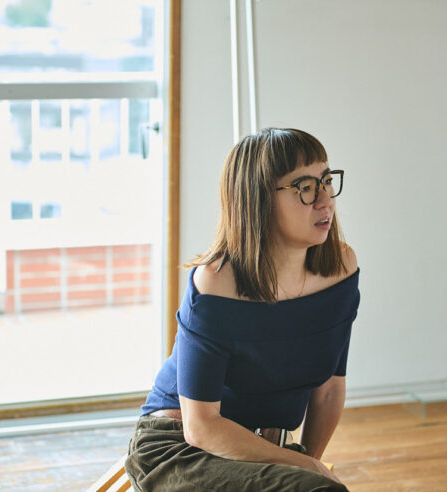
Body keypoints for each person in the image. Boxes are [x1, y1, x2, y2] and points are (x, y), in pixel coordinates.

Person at [125, 128, 360, 491]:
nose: (325, 200)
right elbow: (201, 427)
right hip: (180, 448)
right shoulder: (217, 282)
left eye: (327, 181)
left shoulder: (340, 269)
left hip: (259, 451)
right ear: (258, 199)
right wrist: (307, 468)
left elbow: (329, 389)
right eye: (305, 187)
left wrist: (307, 466)